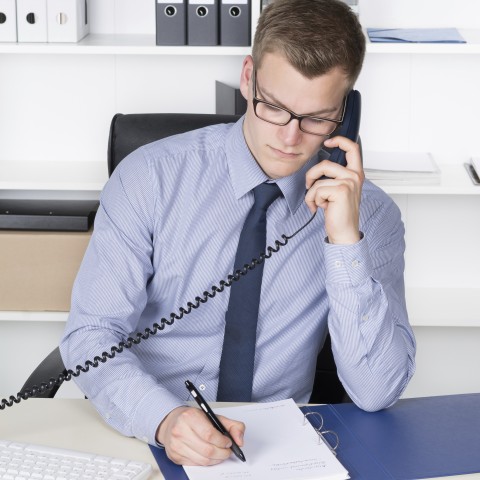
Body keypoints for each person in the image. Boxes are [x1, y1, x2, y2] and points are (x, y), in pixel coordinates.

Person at [60, 0, 416, 468]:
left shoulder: (372, 216)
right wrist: (164, 419)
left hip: (277, 451)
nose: (290, 138)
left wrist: (346, 243)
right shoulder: (150, 177)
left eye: (316, 118)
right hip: (142, 429)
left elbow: (376, 391)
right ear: (248, 79)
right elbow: (91, 334)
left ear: (346, 113)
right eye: (273, 106)